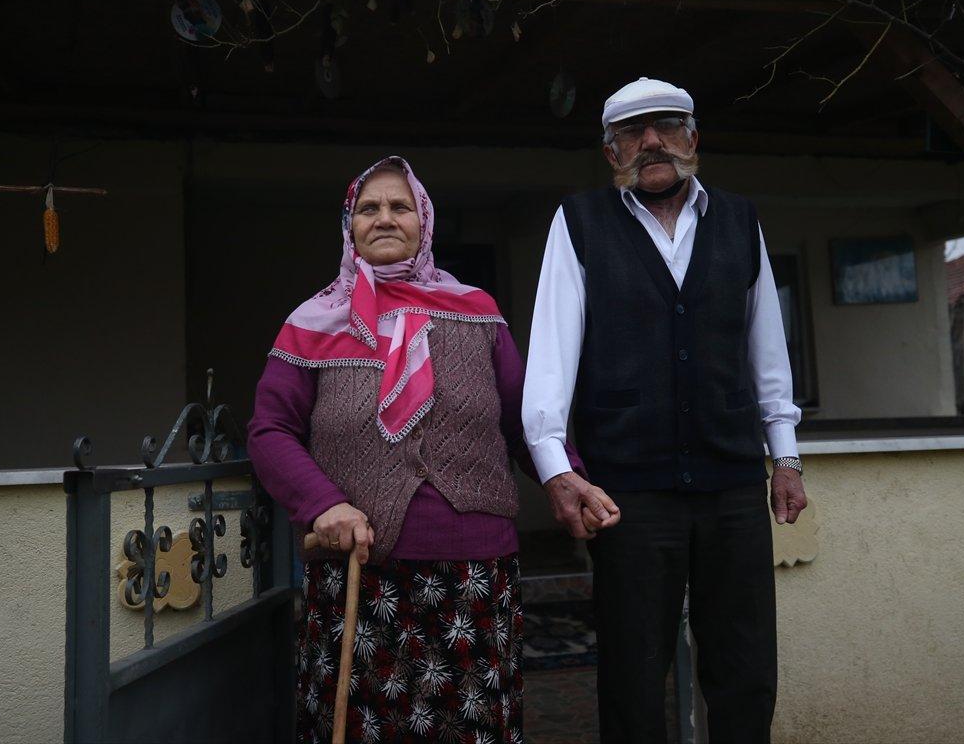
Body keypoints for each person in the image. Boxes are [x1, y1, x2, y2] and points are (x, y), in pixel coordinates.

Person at [247, 156, 605, 743]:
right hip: (357, 570)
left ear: (424, 220)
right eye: (368, 208)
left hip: (475, 572)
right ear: (349, 224)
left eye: (400, 206)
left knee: (471, 728)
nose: (384, 219)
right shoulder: (311, 323)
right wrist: (322, 505)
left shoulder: (478, 312)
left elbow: (526, 422)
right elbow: (269, 430)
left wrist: (565, 478)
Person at [522, 77, 808, 744]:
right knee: (632, 668)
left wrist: (785, 455)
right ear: (609, 150)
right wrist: (554, 465)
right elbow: (551, 355)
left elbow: (768, 351)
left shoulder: (740, 220)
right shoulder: (580, 222)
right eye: (632, 131)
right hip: (627, 488)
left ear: (693, 139)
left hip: (734, 480)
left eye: (667, 125)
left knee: (744, 665)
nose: (651, 141)